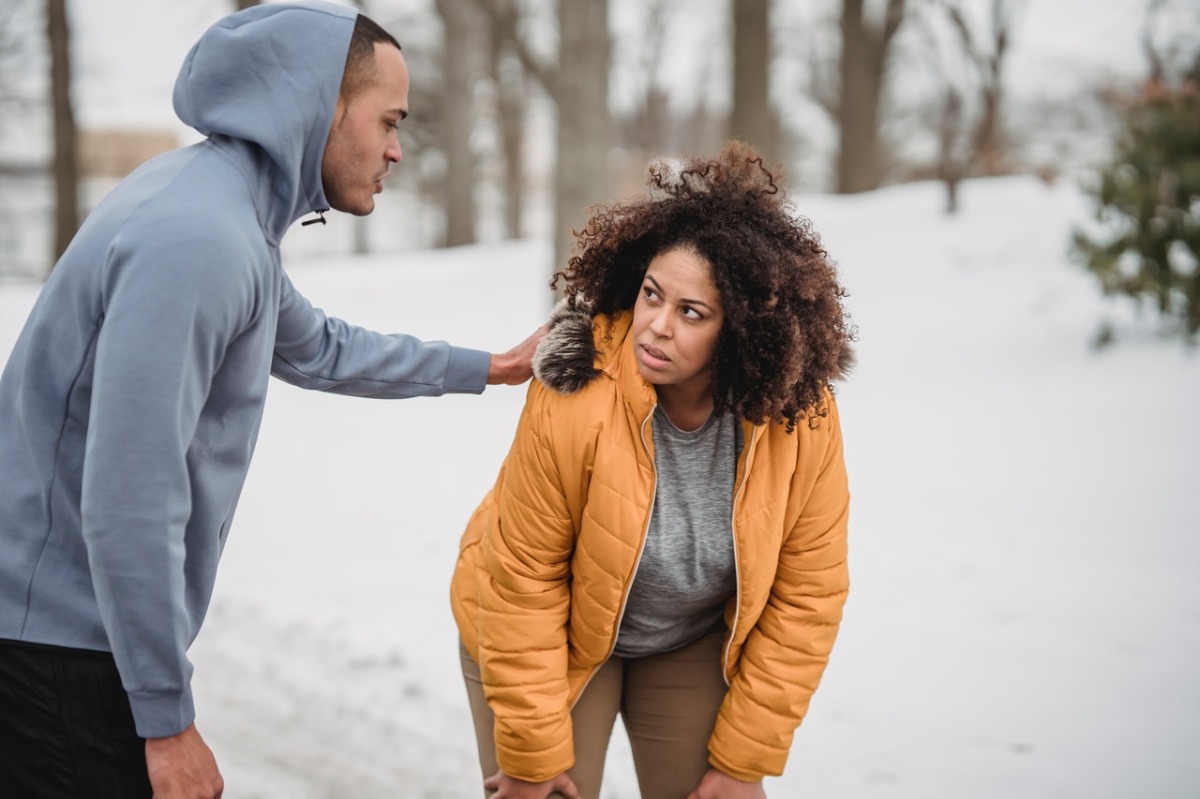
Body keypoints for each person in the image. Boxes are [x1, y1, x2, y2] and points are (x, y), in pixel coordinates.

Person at [0, 3, 542, 797]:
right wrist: (166, 720)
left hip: (67, 639)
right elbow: (128, 498)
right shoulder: (198, 240)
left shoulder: (221, 209)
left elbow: (317, 345)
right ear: (319, 106)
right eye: (387, 120)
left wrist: (488, 366)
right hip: (57, 652)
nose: (396, 148)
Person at [450, 141, 855, 799]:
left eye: (691, 312)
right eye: (652, 295)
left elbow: (807, 592)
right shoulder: (576, 388)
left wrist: (743, 760)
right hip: (550, 631)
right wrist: (530, 758)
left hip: (686, 637)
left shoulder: (797, 415)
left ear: (743, 331)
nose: (656, 327)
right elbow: (524, 578)